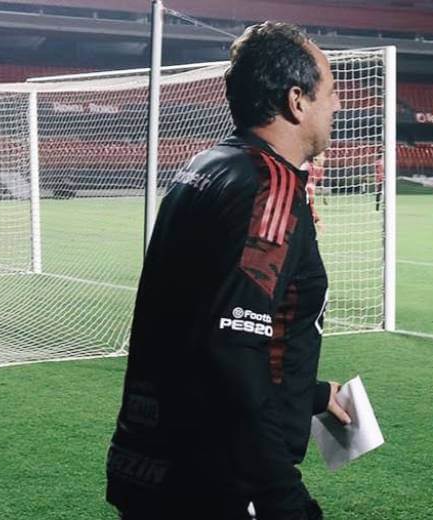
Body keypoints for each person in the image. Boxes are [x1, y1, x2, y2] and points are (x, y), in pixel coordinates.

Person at [106, 22, 351, 520]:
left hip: (153, 461)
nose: (338, 105)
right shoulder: (269, 190)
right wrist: (279, 497)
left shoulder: (208, 167)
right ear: (297, 100)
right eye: (330, 90)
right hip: (219, 483)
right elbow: (233, 358)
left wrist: (314, 394)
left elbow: (200, 327)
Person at [305, 152, 326, 226]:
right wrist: (317, 220)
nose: (324, 158)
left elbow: (320, 183)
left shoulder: (321, 170)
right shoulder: (307, 167)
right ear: (315, 159)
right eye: (323, 156)